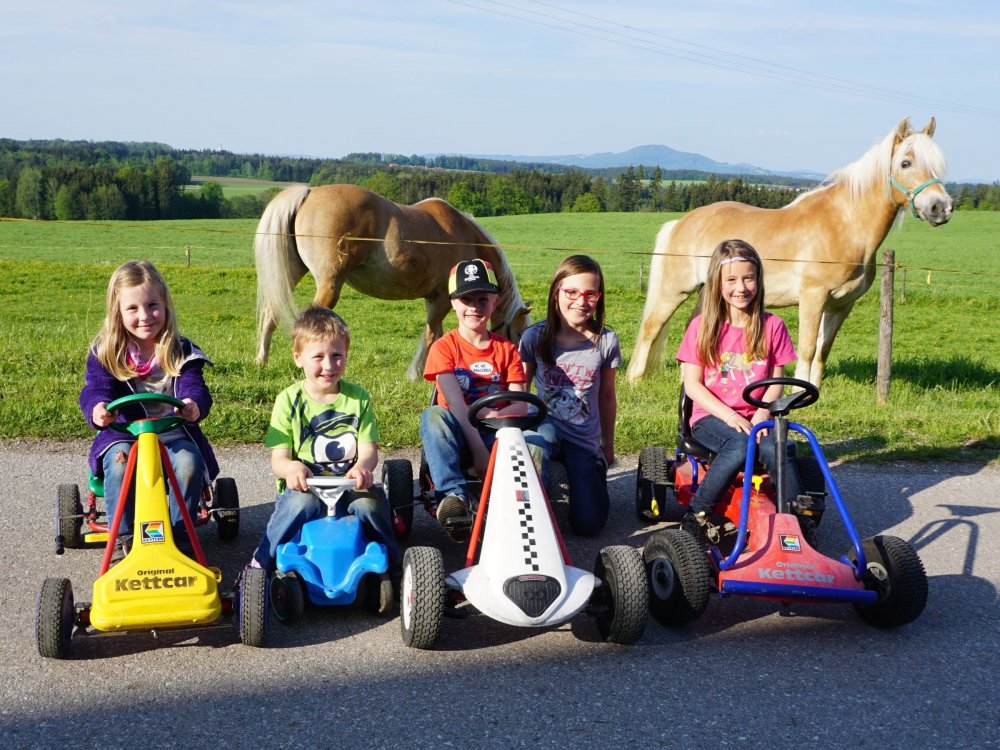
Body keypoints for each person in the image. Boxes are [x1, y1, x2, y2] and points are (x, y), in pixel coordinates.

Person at [248, 305, 401, 579]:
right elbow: (278, 459)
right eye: (318, 357)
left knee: (370, 505)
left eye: (337, 356)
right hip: (306, 488)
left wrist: (362, 467)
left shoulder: (358, 398)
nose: (329, 366)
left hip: (350, 485)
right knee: (300, 506)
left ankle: (396, 564)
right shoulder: (288, 401)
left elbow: (368, 450)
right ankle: (261, 562)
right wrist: (292, 468)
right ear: (298, 358)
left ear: (346, 355)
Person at [79, 260, 218, 560]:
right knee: (118, 465)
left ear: (165, 305)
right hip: (125, 433)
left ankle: (180, 536)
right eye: (133, 309)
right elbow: (94, 389)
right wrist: (97, 408)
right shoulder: (107, 353)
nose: (144, 316)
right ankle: (125, 539)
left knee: (190, 465)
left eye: (152, 305)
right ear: (118, 311)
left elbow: (195, 386)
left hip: (172, 431)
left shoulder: (181, 350)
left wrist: (194, 405)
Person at [676, 239, 805, 538]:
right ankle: (697, 512)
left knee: (777, 447)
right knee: (738, 445)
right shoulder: (702, 326)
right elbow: (692, 385)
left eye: (748, 278)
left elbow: (776, 382)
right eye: (731, 280)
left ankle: (798, 518)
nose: (741, 287)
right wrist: (730, 417)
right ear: (717, 283)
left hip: (757, 416)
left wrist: (761, 415)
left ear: (758, 280)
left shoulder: (773, 326)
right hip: (712, 417)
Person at [419, 258, 542, 540]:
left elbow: (521, 403)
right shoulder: (444, 348)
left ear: (495, 302)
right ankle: (454, 499)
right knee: (433, 415)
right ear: (453, 303)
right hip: (460, 437)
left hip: (499, 433)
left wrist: (487, 417)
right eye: (466, 299)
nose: (474, 307)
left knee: (538, 439)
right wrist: (478, 451)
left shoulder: (508, 350)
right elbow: (455, 404)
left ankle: (525, 504)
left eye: (482, 299)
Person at [518, 255, 619, 536]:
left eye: (590, 294)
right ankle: (527, 513)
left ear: (599, 297)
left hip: (581, 437)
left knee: (589, 524)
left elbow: (607, 397)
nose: (580, 301)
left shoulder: (606, 341)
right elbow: (520, 391)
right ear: (556, 294)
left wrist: (606, 446)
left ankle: (590, 472)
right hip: (544, 425)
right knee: (535, 447)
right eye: (571, 292)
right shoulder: (534, 337)